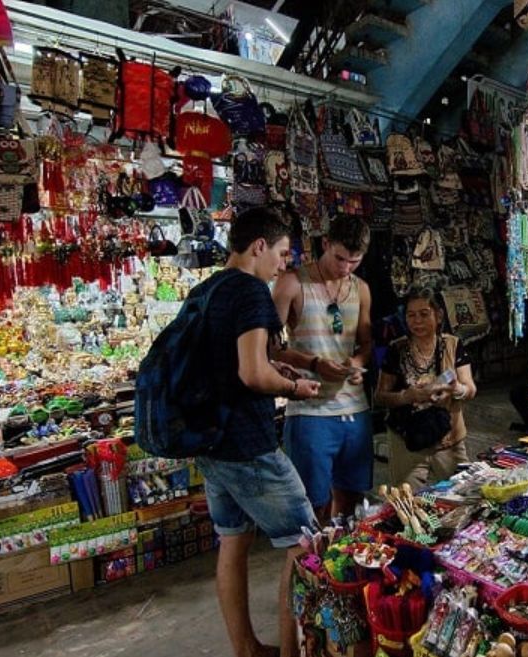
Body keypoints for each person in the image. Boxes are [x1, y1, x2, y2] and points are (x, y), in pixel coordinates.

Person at [193, 208, 320, 657]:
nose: (285, 264)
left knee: (233, 540)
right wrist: (294, 388)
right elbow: (251, 374)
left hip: (211, 441)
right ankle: (290, 652)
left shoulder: (206, 290)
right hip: (248, 444)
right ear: (259, 246)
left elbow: (231, 365)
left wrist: (273, 368)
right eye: (282, 253)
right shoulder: (251, 291)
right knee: (306, 543)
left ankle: (246, 648)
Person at [273, 216, 373, 523]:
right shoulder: (292, 282)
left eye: (354, 261)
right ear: (325, 244)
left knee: (352, 504)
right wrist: (314, 364)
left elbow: (367, 344)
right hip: (310, 411)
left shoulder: (361, 289)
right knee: (313, 507)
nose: (346, 268)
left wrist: (357, 364)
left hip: (355, 409)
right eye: (340, 258)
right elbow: (268, 347)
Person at [375, 287, 476, 487]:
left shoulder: (453, 345)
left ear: (438, 315)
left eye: (424, 314)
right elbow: (380, 396)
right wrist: (407, 396)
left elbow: (470, 389)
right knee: (408, 499)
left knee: (463, 492)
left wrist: (456, 389)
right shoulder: (397, 349)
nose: (417, 321)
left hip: (448, 438)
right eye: (411, 315)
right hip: (408, 440)